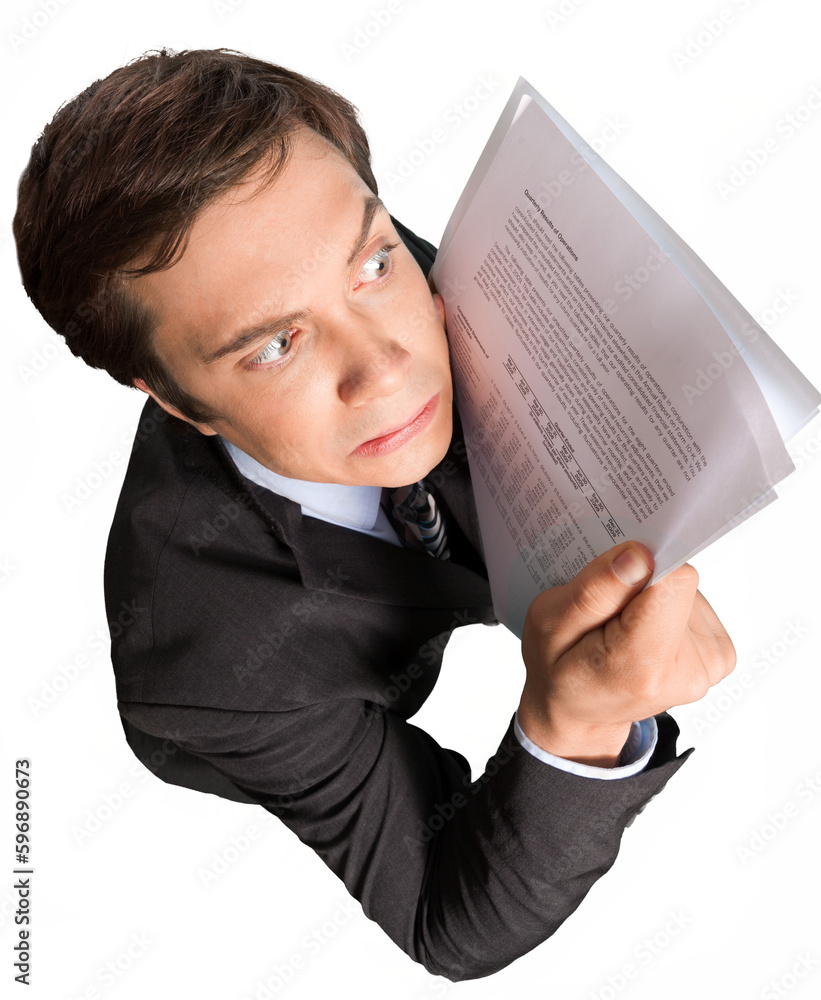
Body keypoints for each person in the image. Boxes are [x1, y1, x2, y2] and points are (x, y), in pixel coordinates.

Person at [12, 48, 735, 981]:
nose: (387, 367)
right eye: (275, 345)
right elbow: (449, 921)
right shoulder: (211, 673)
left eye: (372, 262)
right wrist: (577, 723)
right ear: (178, 405)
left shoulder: (434, 279)